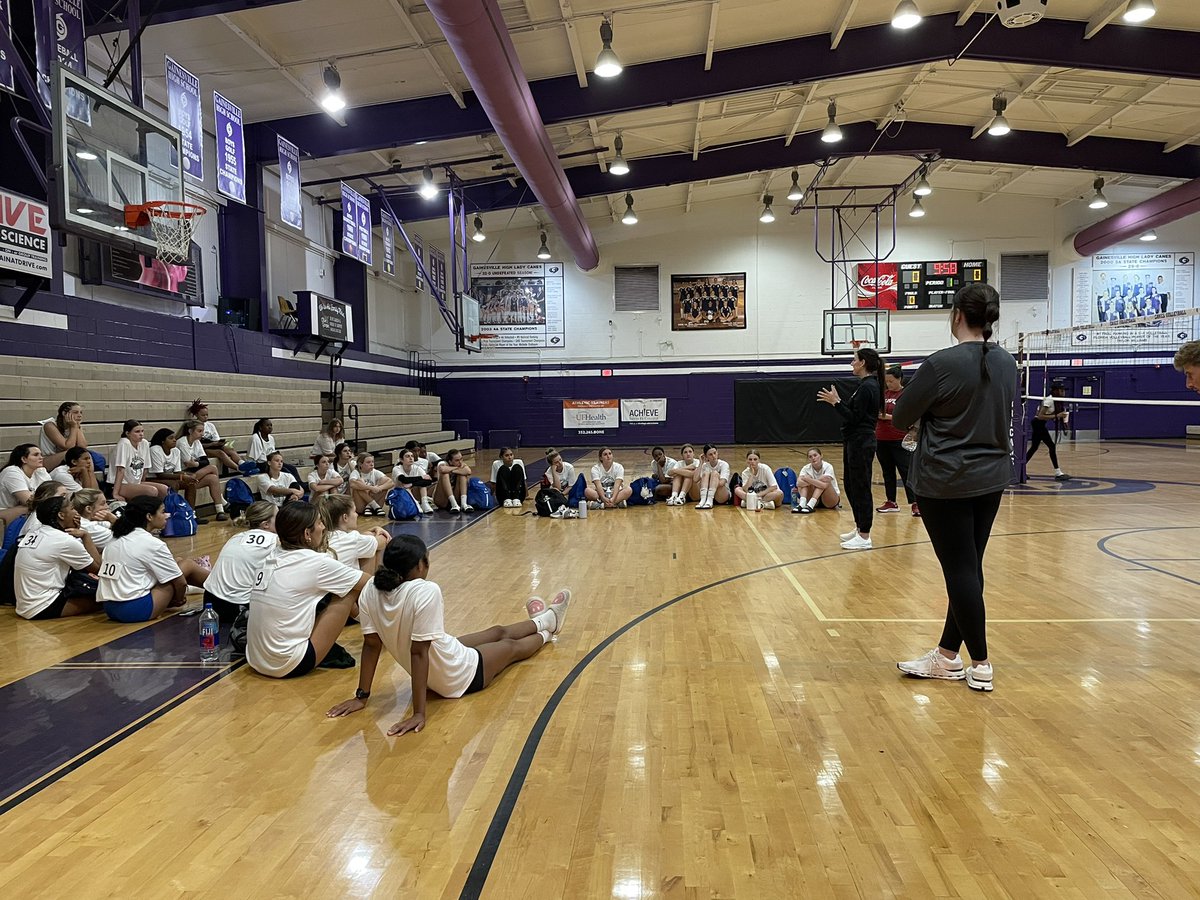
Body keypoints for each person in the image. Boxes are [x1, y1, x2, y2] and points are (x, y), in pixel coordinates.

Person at [892, 282, 1016, 693]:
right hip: (992, 477)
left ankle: (980, 664)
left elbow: (900, 416)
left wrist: (927, 413)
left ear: (957, 315)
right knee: (969, 567)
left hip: (946, 480)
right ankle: (947, 656)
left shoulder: (940, 364)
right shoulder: (1007, 362)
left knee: (961, 570)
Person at [326, 535, 571, 735]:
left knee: (496, 631)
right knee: (509, 647)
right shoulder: (425, 590)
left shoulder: (371, 589)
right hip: (458, 676)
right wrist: (419, 713)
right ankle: (549, 628)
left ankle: (542, 620)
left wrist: (362, 697)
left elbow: (371, 646)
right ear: (420, 565)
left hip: (441, 661)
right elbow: (418, 653)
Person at [246, 502, 371, 679]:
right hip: (288, 664)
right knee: (350, 587)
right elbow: (368, 582)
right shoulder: (316, 562)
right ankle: (373, 627)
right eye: (319, 522)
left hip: (255, 658)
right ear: (307, 534)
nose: (324, 527)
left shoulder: (269, 557)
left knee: (333, 587)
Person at [97, 496, 211, 623]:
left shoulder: (114, 540)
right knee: (187, 565)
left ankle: (211, 587)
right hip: (134, 609)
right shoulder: (151, 543)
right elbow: (180, 583)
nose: (167, 515)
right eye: (162, 512)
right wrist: (178, 599)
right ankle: (219, 586)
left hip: (110, 608)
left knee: (177, 561)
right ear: (149, 517)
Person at [818, 347, 884, 550]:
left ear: (862, 363)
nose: (851, 363)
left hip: (861, 442)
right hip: (855, 441)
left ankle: (865, 536)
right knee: (852, 485)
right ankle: (859, 527)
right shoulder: (865, 386)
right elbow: (855, 413)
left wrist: (836, 403)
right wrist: (838, 402)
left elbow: (854, 417)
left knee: (861, 487)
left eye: (854, 359)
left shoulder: (868, 387)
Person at [13, 495, 102, 620]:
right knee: (106, 597)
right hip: (42, 606)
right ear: (61, 515)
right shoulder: (63, 540)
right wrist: (86, 536)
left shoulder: (34, 532)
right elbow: (98, 568)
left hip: (24, 604)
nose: (77, 513)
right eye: (72, 508)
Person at [203, 501, 278, 624]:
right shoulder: (274, 540)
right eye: (278, 517)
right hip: (237, 607)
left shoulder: (236, 537)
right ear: (265, 524)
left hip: (210, 601)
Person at [876, 365, 920, 517]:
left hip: (899, 439)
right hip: (881, 438)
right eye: (887, 381)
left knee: (906, 471)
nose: (889, 384)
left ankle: (915, 503)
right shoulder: (884, 394)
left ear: (899, 379)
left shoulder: (905, 394)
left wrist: (887, 417)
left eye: (891, 381)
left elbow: (908, 416)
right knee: (887, 471)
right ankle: (891, 501)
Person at [147, 428, 209, 524]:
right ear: (163, 441)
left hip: (167, 477)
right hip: (152, 478)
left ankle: (191, 515)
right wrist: (182, 477)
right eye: (171, 438)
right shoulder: (155, 450)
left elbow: (176, 471)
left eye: (175, 438)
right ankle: (172, 515)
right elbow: (159, 474)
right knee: (174, 484)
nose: (174, 440)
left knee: (190, 483)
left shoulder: (176, 451)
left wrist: (187, 475)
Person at [317, 494, 389, 573]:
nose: (357, 515)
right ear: (345, 517)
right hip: (346, 581)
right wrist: (378, 531)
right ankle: (373, 579)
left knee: (368, 542)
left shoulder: (319, 537)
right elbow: (382, 541)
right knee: (371, 543)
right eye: (354, 511)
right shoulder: (352, 539)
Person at [175, 420, 229, 520]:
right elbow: (188, 464)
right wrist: (197, 463)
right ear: (190, 431)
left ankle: (220, 511)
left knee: (213, 478)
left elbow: (205, 461)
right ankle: (221, 499)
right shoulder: (182, 442)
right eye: (199, 431)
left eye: (203, 431)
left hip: (193, 473)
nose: (202, 434)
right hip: (182, 475)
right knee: (213, 468)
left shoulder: (197, 442)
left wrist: (195, 463)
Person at [108, 420, 169, 503]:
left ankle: (160, 510)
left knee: (165, 490)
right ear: (127, 433)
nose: (141, 434)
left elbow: (145, 468)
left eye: (142, 431)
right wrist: (115, 493)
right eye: (137, 432)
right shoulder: (124, 443)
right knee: (152, 491)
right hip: (119, 484)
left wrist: (141, 485)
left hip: (136, 482)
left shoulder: (144, 443)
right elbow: (120, 469)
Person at [1027, 383, 1071, 481]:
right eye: (1061, 390)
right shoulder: (1049, 400)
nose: (1063, 392)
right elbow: (1040, 416)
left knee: (1034, 448)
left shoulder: (1057, 401)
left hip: (1041, 424)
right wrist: (1056, 416)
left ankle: (1019, 469)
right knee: (1051, 446)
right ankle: (1058, 473)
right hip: (1038, 424)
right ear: (1055, 391)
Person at [0, 444, 52, 525]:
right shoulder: (11, 472)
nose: (41, 457)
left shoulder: (40, 471)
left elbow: (54, 492)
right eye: (36, 455)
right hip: (4, 511)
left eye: (41, 454)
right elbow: (29, 501)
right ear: (24, 459)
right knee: (36, 509)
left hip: (21, 510)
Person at [188, 399, 243, 473]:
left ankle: (242, 463)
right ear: (196, 415)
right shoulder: (193, 426)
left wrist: (219, 443)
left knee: (229, 448)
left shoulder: (210, 425)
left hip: (212, 445)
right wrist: (212, 444)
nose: (205, 417)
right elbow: (195, 445)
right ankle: (240, 469)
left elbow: (216, 439)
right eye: (203, 415)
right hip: (202, 448)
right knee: (220, 453)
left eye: (207, 415)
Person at [39, 402, 90, 470]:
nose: (80, 415)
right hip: (48, 460)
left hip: (66, 459)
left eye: (81, 412)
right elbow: (68, 447)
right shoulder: (49, 425)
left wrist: (76, 427)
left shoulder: (74, 425)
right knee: (72, 454)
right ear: (64, 413)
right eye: (75, 412)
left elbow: (83, 447)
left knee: (85, 455)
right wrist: (74, 427)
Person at [793, 448, 841, 514]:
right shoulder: (806, 468)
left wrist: (809, 480)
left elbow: (824, 485)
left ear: (821, 456)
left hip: (830, 500)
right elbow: (799, 483)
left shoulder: (828, 466)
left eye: (815, 455)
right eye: (810, 457)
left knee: (821, 482)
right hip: (814, 500)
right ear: (808, 459)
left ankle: (811, 504)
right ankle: (802, 504)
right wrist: (814, 481)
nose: (813, 458)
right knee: (806, 483)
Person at [393, 449, 436, 513]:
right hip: (401, 494)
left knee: (422, 485)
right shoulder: (397, 468)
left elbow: (428, 481)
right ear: (401, 460)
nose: (411, 458)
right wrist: (421, 477)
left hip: (414, 491)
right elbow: (404, 479)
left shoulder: (417, 468)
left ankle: (424, 503)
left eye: (412, 456)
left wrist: (412, 484)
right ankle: (416, 504)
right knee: (407, 488)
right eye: (407, 456)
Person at [434, 449, 473, 513]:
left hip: (456, 495)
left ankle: (464, 504)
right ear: (450, 462)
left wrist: (453, 470)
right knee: (445, 474)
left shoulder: (461, 464)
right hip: (442, 498)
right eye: (457, 460)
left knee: (462, 475)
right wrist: (458, 469)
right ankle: (454, 504)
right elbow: (443, 469)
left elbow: (468, 471)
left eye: (461, 459)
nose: (460, 462)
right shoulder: (443, 463)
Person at [694, 444, 730, 510]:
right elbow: (695, 479)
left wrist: (710, 483)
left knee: (714, 473)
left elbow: (722, 483)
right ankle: (703, 500)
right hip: (707, 493)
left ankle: (709, 500)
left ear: (717, 453)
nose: (713, 456)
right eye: (710, 454)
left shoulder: (724, 464)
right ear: (706, 456)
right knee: (705, 473)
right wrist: (701, 462)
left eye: (715, 453)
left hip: (721, 495)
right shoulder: (705, 465)